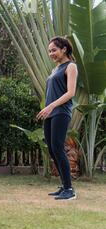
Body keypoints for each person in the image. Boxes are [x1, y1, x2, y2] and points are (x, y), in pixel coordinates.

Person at [37, 36, 78, 200]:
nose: (51, 54)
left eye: (54, 50)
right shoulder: (55, 70)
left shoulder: (71, 66)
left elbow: (71, 93)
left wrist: (51, 106)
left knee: (58, 148)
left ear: (64, 49)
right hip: (51, 113)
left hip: (61, 112)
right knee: (53, 149)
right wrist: (47, 108)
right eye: (49, 51)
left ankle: (70, 189)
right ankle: (64, 185)